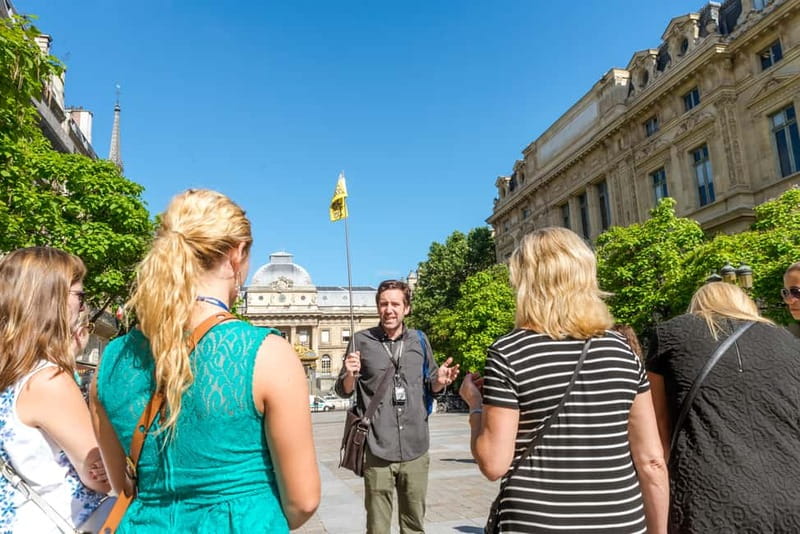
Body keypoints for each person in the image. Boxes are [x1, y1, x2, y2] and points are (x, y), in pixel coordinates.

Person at [90, 189, 320, 532]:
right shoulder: (268, 353)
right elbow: (303, 501)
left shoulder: (111, 360)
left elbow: (123, 484)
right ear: (237, 253)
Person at [459, 227, 668, 533]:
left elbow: (493, 464)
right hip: (620, 519)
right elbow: (651, 461)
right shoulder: (622, 351)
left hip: (536, 521)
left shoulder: (509, 352)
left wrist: (475, 407)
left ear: (525, 281)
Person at [647, 281, 800, 532]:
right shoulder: (787, 341)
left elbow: (658, 429)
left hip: (709, 497)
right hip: (790, 493)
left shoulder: (671, 334)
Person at [334, 279, 459, 534]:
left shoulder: (419, 340)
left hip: (415, 447)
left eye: (395, 304)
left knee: (414, 525)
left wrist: (440, 381)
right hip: (377, 448)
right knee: (377, 527)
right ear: (378, 308)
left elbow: (432, 385)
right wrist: (349, 374)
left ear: (407, 308)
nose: (389, 310)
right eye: (383, 304)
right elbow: (343, 390)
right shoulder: (360, 341)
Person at [0, 247, 110, 532]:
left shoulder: (15, 373)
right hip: (61, 521)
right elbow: (99, 475)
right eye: (79, 296)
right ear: (51, 299)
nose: (83, 307)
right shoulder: (47, 380)